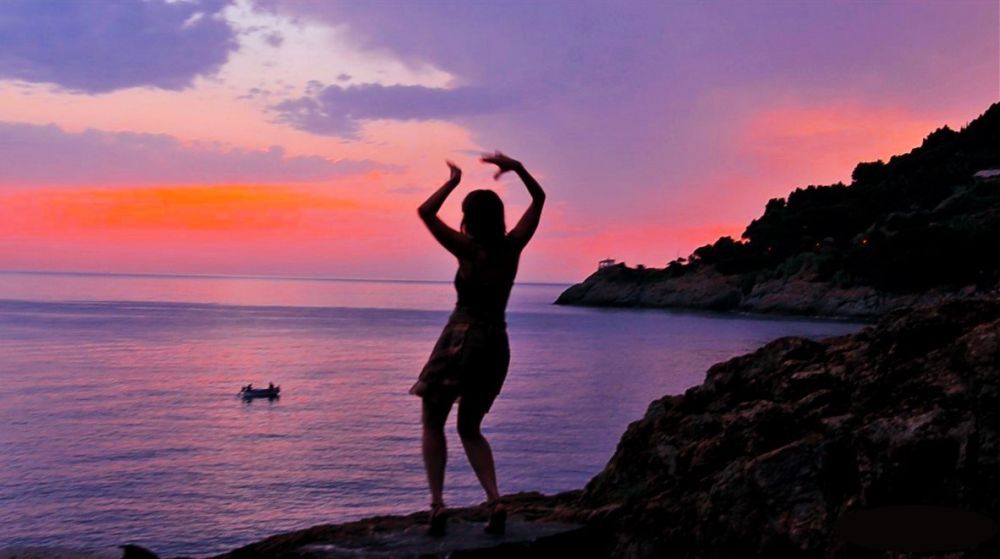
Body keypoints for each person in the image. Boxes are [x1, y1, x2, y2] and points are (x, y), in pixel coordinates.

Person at [410, 151, 545, 537]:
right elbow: (539, 199)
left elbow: (425, 212)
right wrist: (518, 168)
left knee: (432, 421)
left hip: (462, 338)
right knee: (470, 427)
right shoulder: (512, 246)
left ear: (468, 218)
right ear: (498, 217)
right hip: (496, 342)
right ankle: (495, 500)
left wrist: (452, 182)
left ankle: (438, 506)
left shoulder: (468, 249)